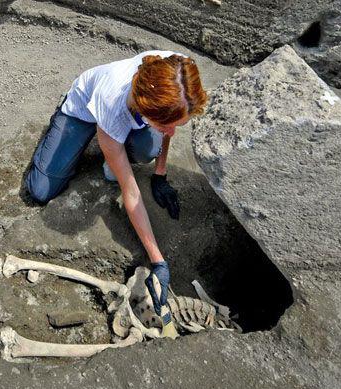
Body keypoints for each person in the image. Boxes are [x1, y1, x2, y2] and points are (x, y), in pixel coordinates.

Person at [25, 50, 208, 337]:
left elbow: (170, 126)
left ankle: (120, 150)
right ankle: (74, 134)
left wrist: (160, 173)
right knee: (40, 190)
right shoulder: (112, 104)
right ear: (146, 109)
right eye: (164, 124)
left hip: (131, 117)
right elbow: (130, 191)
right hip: (83, 109)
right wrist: (157, 258)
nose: (172, 133)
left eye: (177, 124)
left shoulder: (178, 71)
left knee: (149, 147)